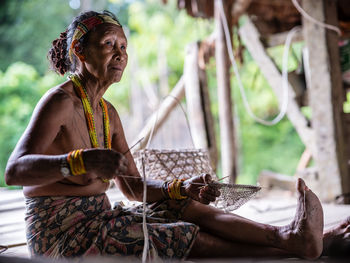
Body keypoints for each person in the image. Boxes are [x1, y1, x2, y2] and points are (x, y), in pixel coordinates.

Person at [4, 10, 349, 261]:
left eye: (123, 46)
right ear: (80, 52)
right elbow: (14, 170)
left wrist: (181, 187)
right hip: (61, 236)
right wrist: (78, 162)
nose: (120, 53)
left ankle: (289, 237)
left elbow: (132, 187)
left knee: (184, 205)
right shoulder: (60, 102)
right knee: (175, 235)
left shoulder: (107, 114)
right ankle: (299, 246)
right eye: (109, 44)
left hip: (102, 218)